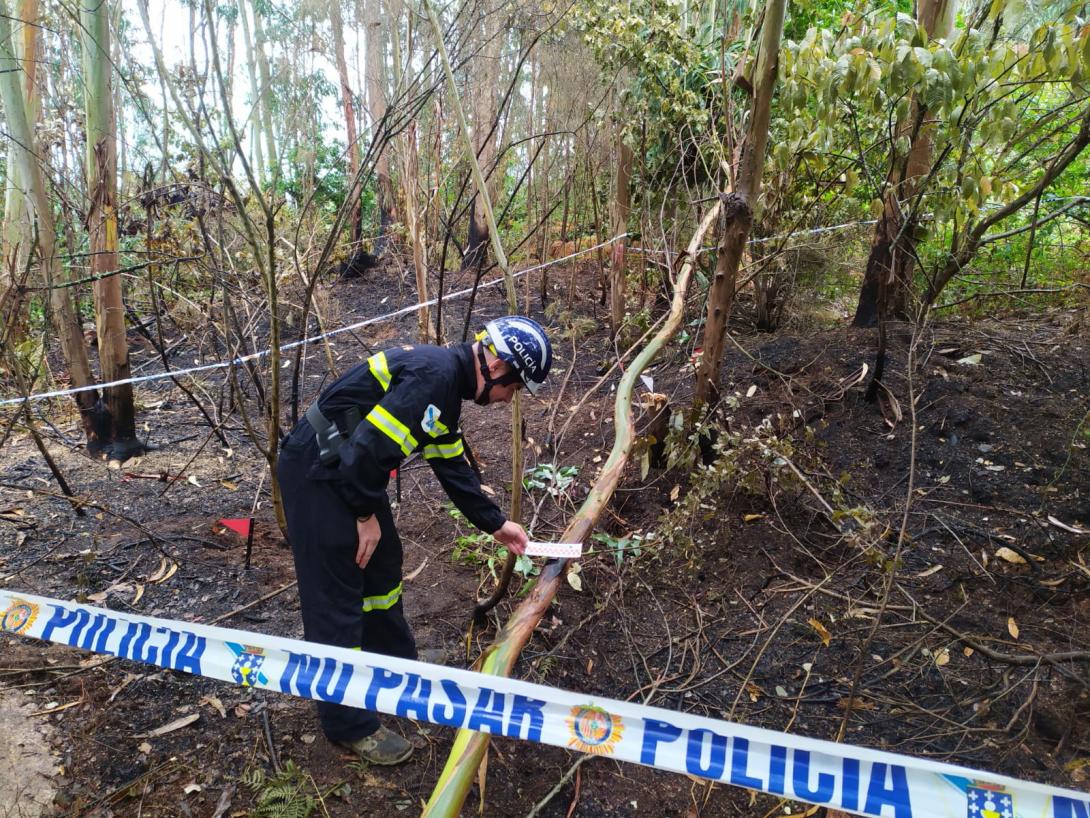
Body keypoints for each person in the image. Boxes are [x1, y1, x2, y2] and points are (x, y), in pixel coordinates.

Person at [277, 315, 552, 765]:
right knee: (338, 596)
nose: (507, 400)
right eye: (515, 388)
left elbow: (453, 466)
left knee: (382, 568)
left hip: (350, 473)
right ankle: (349, 724)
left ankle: (394, 669)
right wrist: (365, 514)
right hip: (320, 473)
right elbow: (366, 450)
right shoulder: (434, 377)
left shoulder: (446, 390)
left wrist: (496, 524)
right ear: (499, 366)